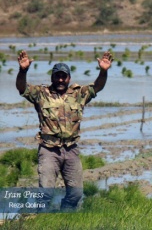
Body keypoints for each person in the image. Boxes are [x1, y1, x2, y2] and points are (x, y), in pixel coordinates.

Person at [16, 50, 113, 211]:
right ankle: (41, 221)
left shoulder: (78, 94)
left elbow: (97, 87)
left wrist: (103, 71)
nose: (60, 79)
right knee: (45, 194)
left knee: (75, 193)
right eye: (57, 76)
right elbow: (22, 88)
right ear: (52, 77)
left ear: (69, 78)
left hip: (71, 150)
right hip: (49, 150)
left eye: (64, 76)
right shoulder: (41, 94)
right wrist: (23, 71)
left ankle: (64, 216)